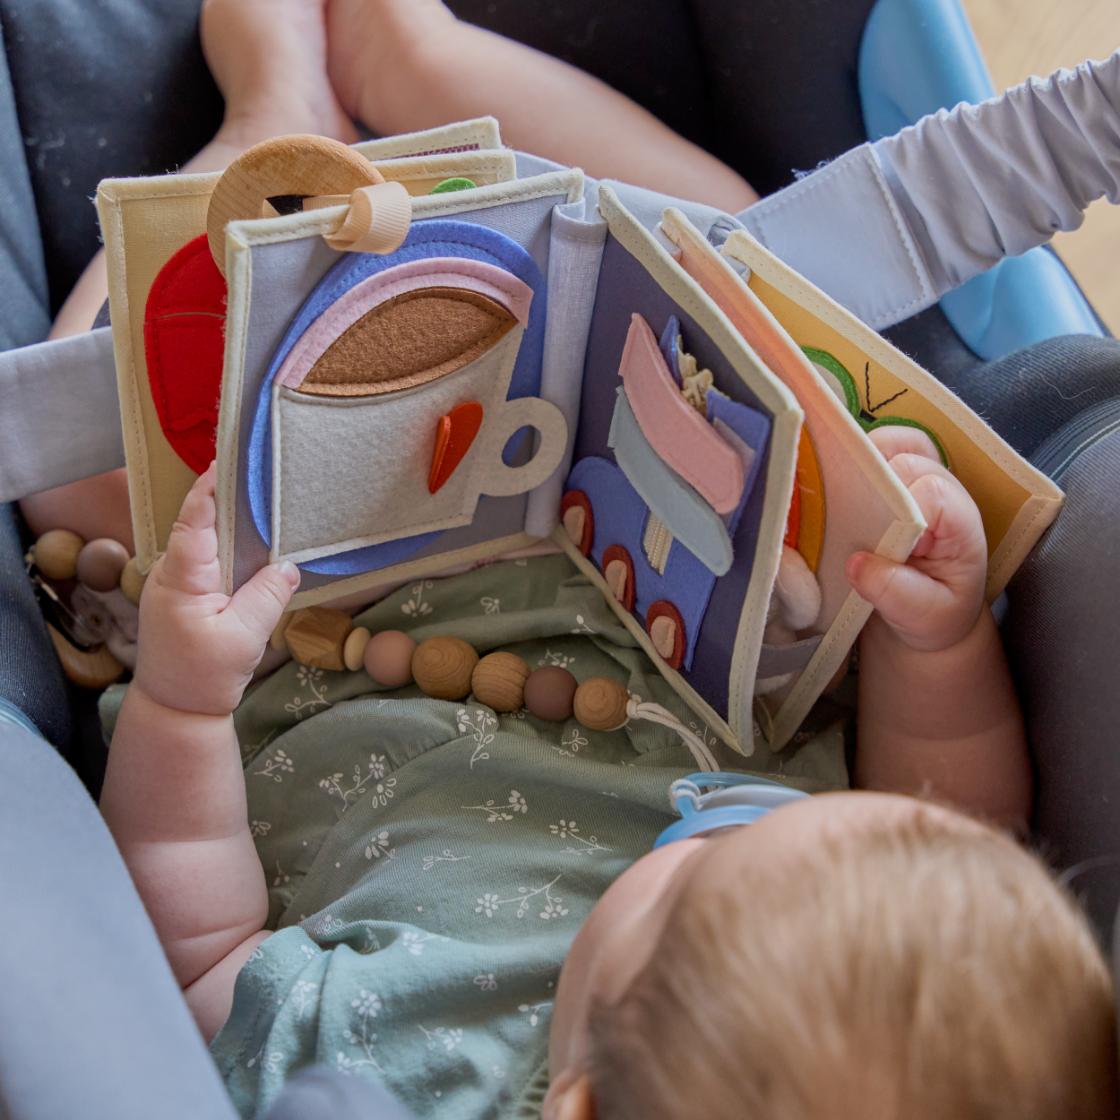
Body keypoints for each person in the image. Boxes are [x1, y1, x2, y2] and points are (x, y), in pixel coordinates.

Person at [15, 0, 1118, 1115]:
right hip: (645, 524)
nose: (715, 806)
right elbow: (967, 813)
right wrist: (939, 639)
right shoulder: (834, 934)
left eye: (702, 854)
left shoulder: (406, 1060)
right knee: (747, 252)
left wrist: (184, 699)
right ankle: (411, 53)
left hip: (299, 606)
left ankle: (276, 112)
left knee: (86, 480)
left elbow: (193, 958)